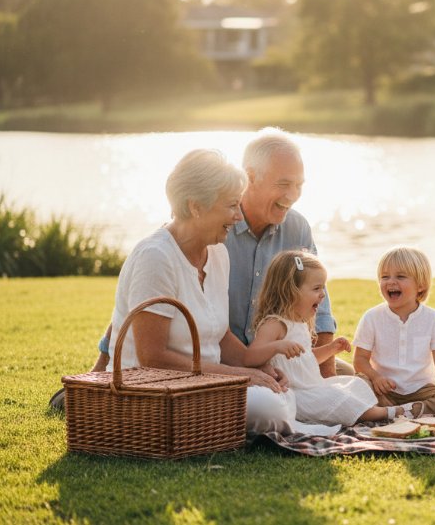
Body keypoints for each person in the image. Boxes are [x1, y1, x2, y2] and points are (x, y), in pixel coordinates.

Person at [104, 149, 320, 436]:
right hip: (156, 389)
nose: (238, 215)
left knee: (282, 394)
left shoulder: (217, 253)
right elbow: (152, 357)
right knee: (268, 409)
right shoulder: (155, 257)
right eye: (231, 205)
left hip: (206, 382)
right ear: (196, 206)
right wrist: (242, 376)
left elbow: (221, 335)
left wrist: (259, 367)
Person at [225, 128, 351, 378]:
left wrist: (325, 380)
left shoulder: (297, 228)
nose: (292, 196)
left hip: (284, 359)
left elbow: (320, 302)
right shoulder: (219, 227)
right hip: (227, 360)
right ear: (250, 177)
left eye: (298, 185)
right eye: (283, 184)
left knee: (349, 376)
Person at [244, 250, 423, 425]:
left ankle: (375, 409)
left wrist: (331, 349)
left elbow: (307, 360)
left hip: (314, 386)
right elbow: (249, 358)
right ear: (291, 291)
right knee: (339, 398)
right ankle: (388, 412)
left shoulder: (298, 323)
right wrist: (276, 347)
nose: (322, 294)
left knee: (353, 384)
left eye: (323, 287)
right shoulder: (275, 324)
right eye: (316, 288)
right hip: (296, 394)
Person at [352, 247, 435, 415]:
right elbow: (360, 360)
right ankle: (398, 409)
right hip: (383, 390)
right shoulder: (372, 317)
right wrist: (376, 378)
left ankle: (396, 411)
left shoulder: (433, 318)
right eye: (385, 277)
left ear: (420, 286)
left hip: (420, 390)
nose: (390, 282)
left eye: (400, 276)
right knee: (358, 384)